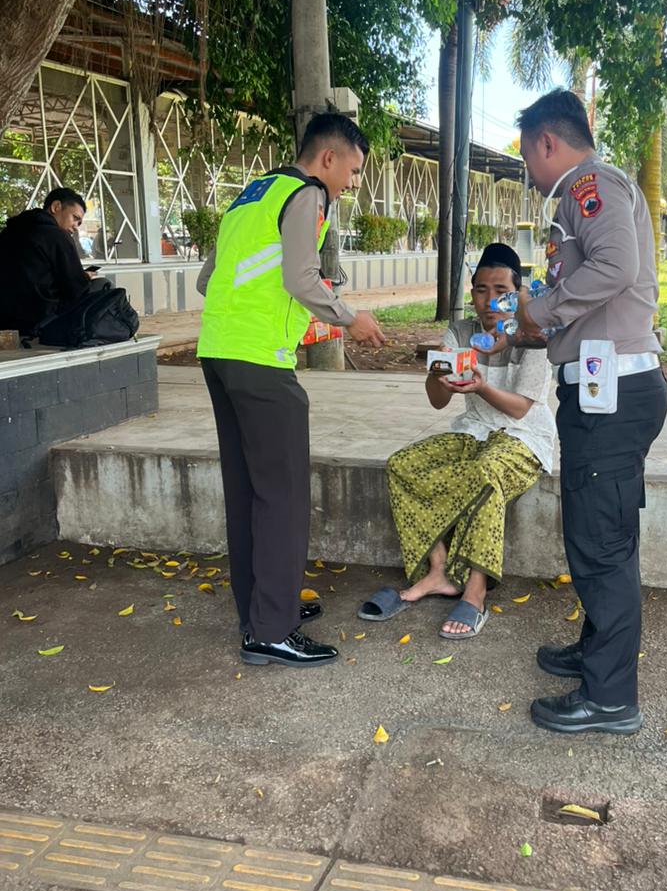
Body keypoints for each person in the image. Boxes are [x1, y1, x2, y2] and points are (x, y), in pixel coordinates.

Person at [196, 112, 386, 670]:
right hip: (261, 364)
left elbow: (211, 279)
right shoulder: (307, 194)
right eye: (351, 171)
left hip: (218, 353)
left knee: (246, 491)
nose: (350, 183)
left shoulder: (251, 195)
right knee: (281, 499)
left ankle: (259, 611)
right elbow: (301, 279)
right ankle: (272, 630)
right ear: (328, 158)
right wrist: (352, 318)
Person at [514, 89, 667, 735]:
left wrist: (543, 311)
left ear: (549, 142)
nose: (526, 168)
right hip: (605, 390)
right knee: (605, 537)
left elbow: (616, 265)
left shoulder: (589, 186)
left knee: (600, 546)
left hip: (612, 395)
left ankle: (610, 699)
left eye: (526, 154)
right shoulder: (588, 192)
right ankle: (597, 651)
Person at [357, 243, 556, 638]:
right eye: (481, 289)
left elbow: (520, 409)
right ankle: (438, 572)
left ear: (519, 293)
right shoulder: (461, 331)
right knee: (404, 465)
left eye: (501, 290)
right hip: (474, 431)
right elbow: (438, 402)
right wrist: (438, 374)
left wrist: (480, 386)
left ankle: (476, 593)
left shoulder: (532, 334)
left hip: (523, 438)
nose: (490, 300)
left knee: (486, 474)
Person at [0, 188, 104, 338]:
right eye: (75, 218)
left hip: (4, 318)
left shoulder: (9, 232)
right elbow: (74, 289)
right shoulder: (57, 236)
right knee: (102, 285)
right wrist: (84, 277)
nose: (76, 226)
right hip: (40, 319)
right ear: (56, 207)